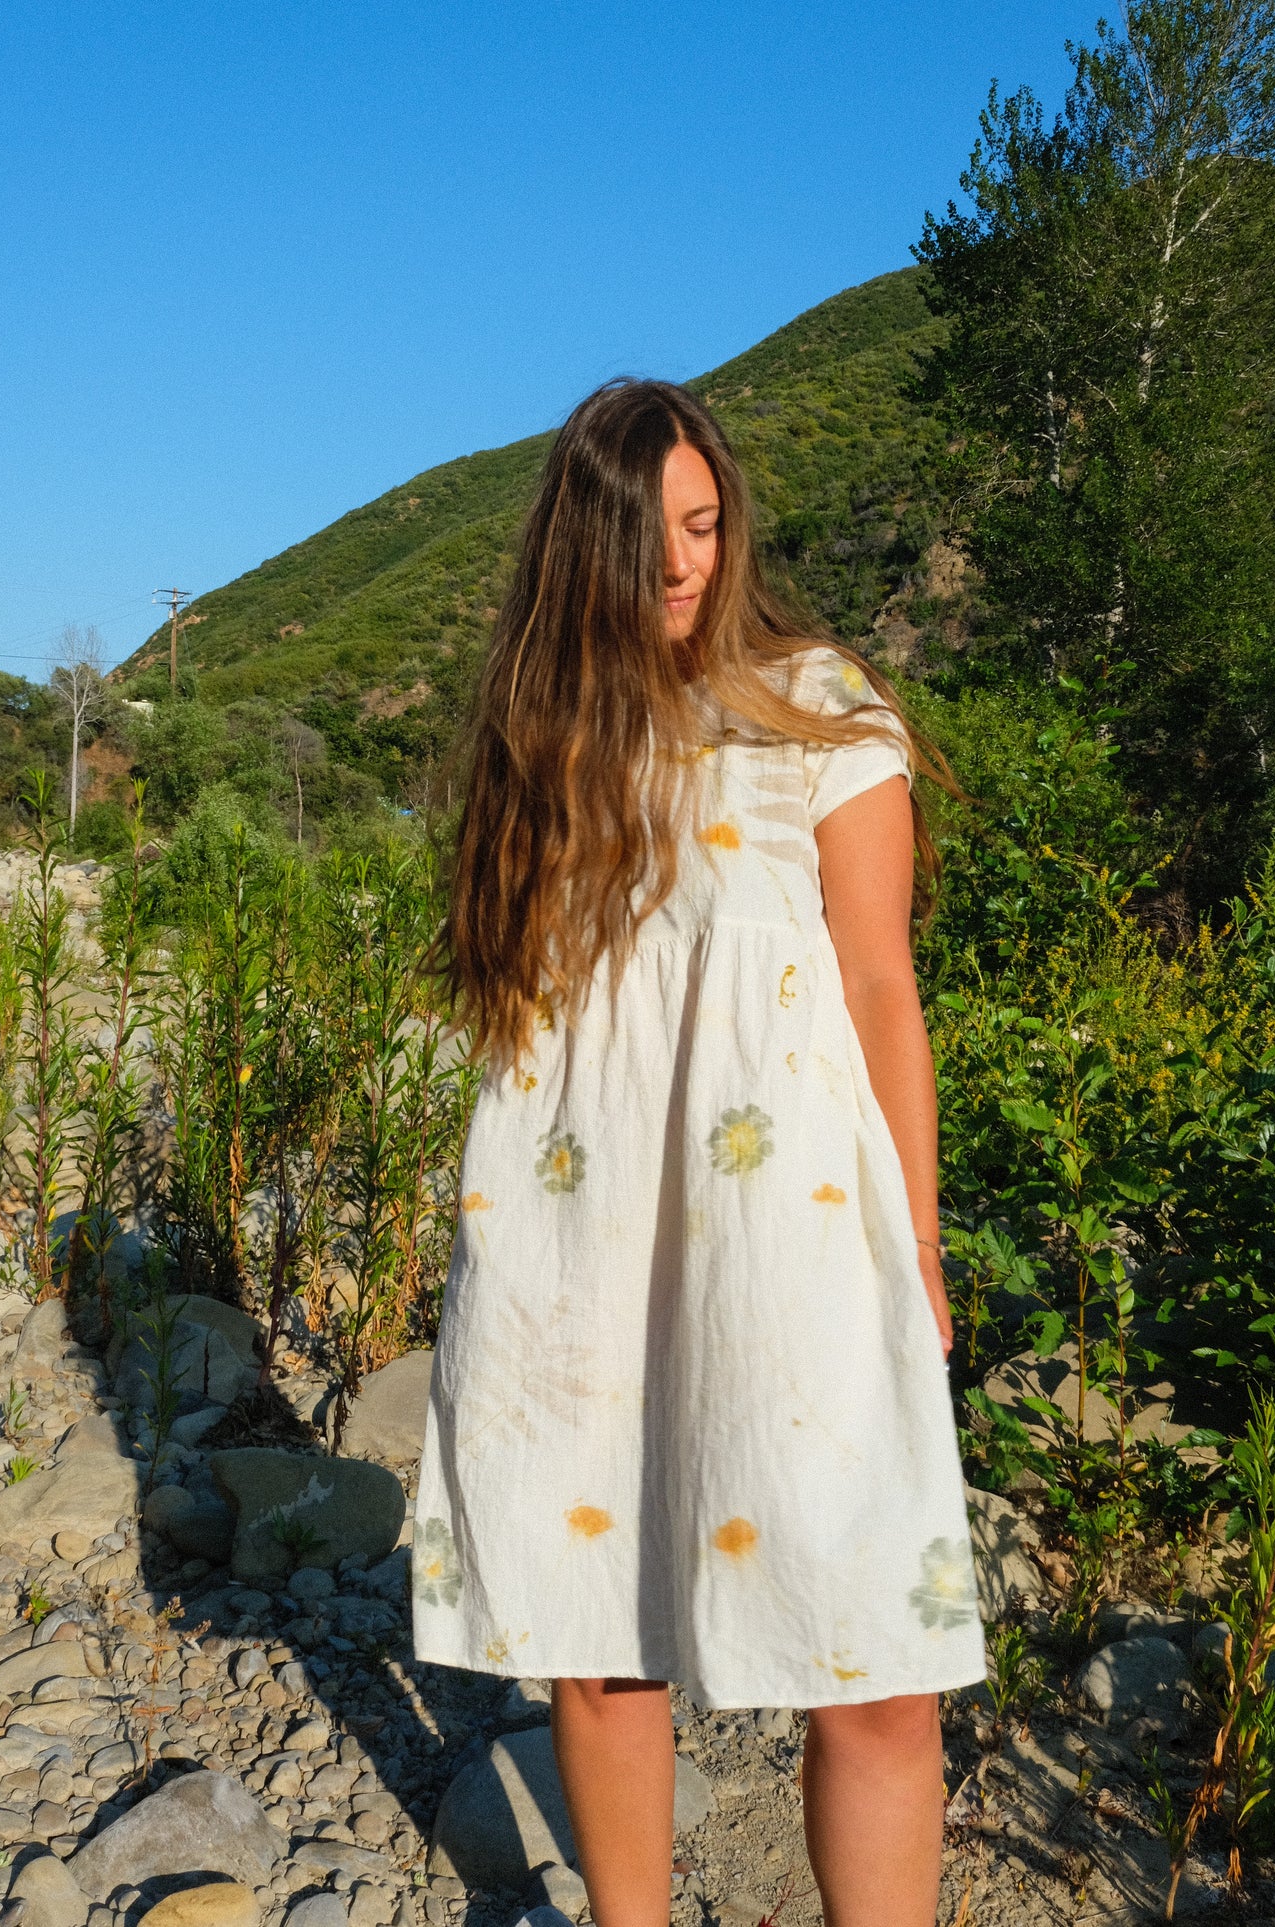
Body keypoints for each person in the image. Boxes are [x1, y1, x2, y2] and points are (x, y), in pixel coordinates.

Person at [412, 378, 986, 1927]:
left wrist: (916, 1243)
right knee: (601, 1639)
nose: (679, 563)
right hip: (574, 1230)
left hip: (796, 1234)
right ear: (578, 547)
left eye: (703, 522)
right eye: (644, 533)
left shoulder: (817, 704)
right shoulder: (545, 736)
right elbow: (524, 1002)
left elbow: (879, 986)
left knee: (875, 1657)